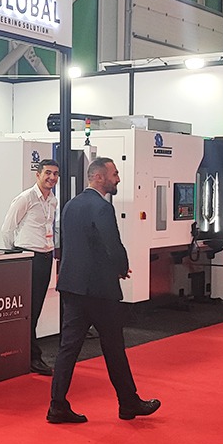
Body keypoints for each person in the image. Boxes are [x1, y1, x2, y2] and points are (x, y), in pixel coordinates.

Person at [47, 157, 160, 424]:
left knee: (68, 348)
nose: (118, 178)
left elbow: (69, 244)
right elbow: (112, 243)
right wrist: (122, 267)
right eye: (115, 174)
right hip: (99, 289)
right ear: (99, 177)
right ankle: (128, 403)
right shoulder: (102, 207)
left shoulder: (70, 205)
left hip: (73, 287)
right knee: (113, 346)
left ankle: (57, 405)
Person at [0, 158, 60, 376]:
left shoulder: (53, 200)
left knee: (36, 309)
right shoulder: (26, 198)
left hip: (45, 257)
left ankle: (28, 353)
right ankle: (32, 356)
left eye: (55, 174)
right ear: (38, 174)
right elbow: (7, 228)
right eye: (48, 173)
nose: (52, 177)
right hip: (28, 257)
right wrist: (15, 255)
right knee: (28, 310)